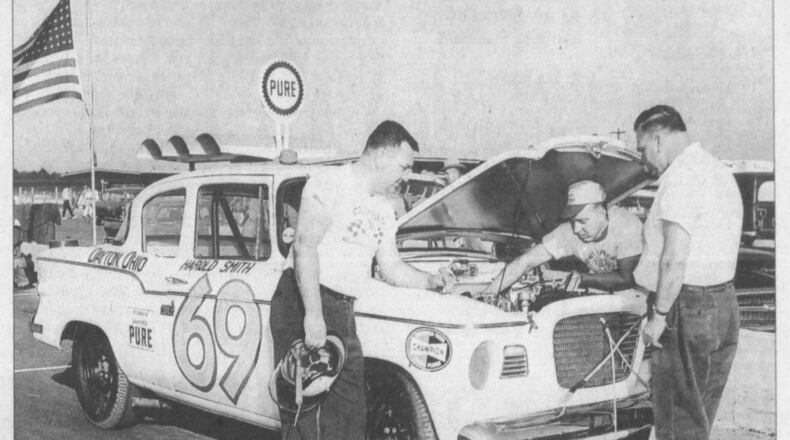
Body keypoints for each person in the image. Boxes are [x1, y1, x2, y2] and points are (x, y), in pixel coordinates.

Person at [269, 120, 455, 440]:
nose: (405, 176)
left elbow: (392, 266)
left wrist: (431, 281)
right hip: (303, 300)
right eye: (404, 166)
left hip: (343, 310)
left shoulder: (383, 208)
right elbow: (304, 247)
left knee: (350, 417)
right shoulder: (330, 182)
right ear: (381, 156)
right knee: (304, 415)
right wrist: (313, 315)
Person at [633, 105, 742, 440]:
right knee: (698, 420)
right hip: (724, 304)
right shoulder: (718, 171)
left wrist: (659, 316)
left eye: (642, 149)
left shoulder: (680, 177)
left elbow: (674, 258)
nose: (643, 160)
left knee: (677, 422)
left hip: (685, 307)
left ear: (658, 139)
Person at [482, 180, 642, 295]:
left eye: (582, 221)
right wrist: (487, 295)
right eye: (572, 221)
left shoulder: (626, 225)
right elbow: (525, 262)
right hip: (604, 295)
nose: (577, 230)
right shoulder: (569, 232)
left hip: (637, 298)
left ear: (601, 210)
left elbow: (627, 278)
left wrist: (582, 278)